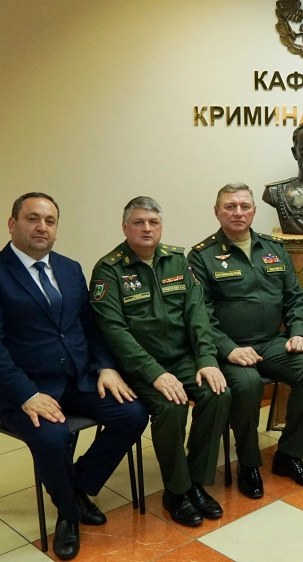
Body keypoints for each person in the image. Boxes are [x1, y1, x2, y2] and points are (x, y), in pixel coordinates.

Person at [0, 193, 147, 561]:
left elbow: (90, 327)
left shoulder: (69, 268)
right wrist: (27, 395)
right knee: (53, 436)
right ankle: (68, 515)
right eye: (32, 218)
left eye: (49, 221)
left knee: (133, 413)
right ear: (12, 224)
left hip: (76, 381)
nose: (41, 227)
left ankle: (77, 487)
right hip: (22, 391)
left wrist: (105, 367)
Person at [89, 197, 231, 527]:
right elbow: (113, 331)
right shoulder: (109, 269)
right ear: (125, 227)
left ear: (161, 227)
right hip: (139, 366)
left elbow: (197, 314)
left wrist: (207, 359)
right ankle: (176, 491)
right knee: (171, 407)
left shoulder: (176, 261)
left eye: (153, 222)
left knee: (218, 393)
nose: (146, 228)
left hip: (182, 358)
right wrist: (154, 373)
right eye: (138, 222)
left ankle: (195, 482)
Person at [189, 183, 303, 498]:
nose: (238, 212)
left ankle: (289, 455)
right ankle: (249, 463)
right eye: (230, 206)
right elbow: (200, 316)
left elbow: (295, 297)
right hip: (230, 348)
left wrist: (298, 331)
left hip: (272, 343)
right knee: (248, 384)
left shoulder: (273, 248)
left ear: (253, 211)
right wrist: (229, 349)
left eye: (244, 206)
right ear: (217, 212)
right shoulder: (202, 256)